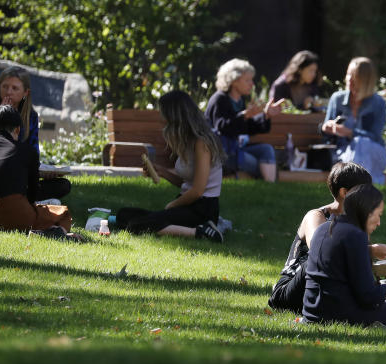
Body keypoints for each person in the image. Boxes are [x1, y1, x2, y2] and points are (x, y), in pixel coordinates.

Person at [303, 184, 386, 331]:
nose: (379, 222)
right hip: (340, 314)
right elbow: (368, 297)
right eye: (378, 215)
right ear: (367, 212)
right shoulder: (356, 235)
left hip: (313, 313)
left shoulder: (323, 229)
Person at [268, 162, 386, 312]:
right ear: (344, 193)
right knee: (319, 259)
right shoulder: (316, 216)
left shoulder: (357, 225)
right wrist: (369, 250)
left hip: (322, 294)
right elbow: (320, 254)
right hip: (289, 291)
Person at [116, 90, 226, 242]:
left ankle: (202, 232)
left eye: (164, 114)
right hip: (188, 204)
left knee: (138, 225)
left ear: (175, 116)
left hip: (201, 208)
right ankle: (198, 228)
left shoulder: (202, 143)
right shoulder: (187, 141)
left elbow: (198, 190)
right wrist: (162, 172)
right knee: (124, 215)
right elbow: (187, 183)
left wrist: (172, 205)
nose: (162, 119)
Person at [0, 66, 71, 200]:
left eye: (14, 88)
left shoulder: (31, 117)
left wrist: (43, 173)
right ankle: (22, 196)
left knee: (63, 185)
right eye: (5, 87)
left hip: (18, 176)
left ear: (25, 93)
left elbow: (32, 153)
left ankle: (18, 194)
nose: (8, 92)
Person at [0, 105, 73, 234]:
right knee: (63, 213)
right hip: (18, 214)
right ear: (17, 130)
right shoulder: (27, 151)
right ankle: (54, 233)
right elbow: (32, 195)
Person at [205, 58, 282, 182]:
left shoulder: (239, 101)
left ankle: (270, 185)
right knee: (260, 165)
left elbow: (247, 128)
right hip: (221, 154)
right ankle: (270, 184)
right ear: (234, 81)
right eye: (247, 80)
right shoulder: (219, 99)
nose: (252, 84)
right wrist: (245, 115)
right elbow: (222, 128)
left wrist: (266, 116)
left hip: (236, 150)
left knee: (266, 149)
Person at [322, 57, 386, 184]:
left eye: (355, 77)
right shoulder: (337, 99)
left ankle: (356, 185)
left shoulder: (378, 103)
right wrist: (327, 128)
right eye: (348, 75)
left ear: (366, 81)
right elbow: (326, 134)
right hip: (343, 151)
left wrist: (350, 133)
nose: (349, 80)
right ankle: (364, 187)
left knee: (361, 142)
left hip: (373, 151)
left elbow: (375, 137)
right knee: (357, 146)